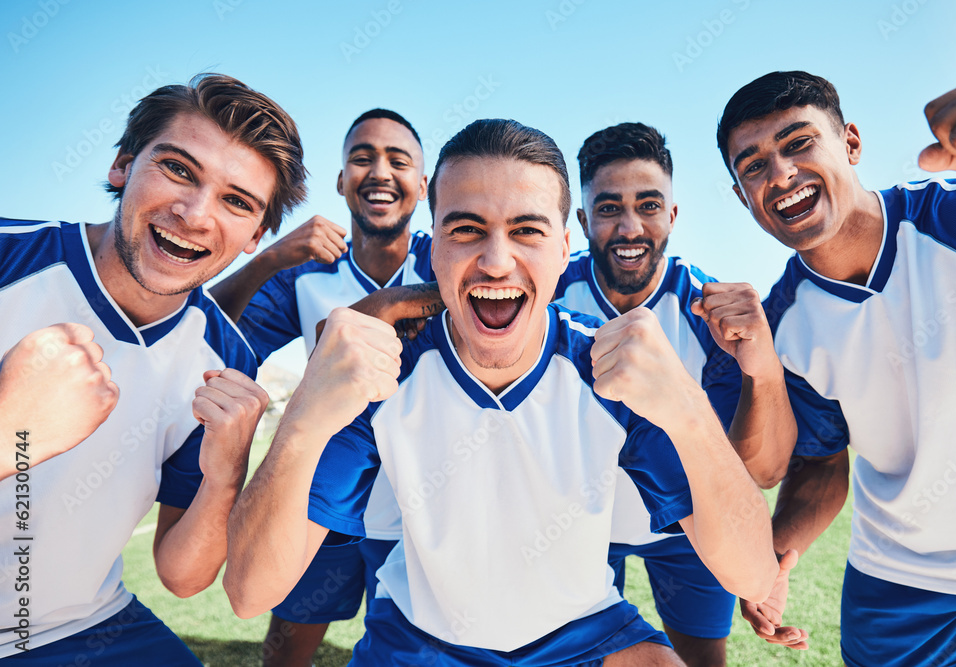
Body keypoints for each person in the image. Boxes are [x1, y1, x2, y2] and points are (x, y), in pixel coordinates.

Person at [225, 118, 779, 666]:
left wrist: (687, 407)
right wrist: (304, 411)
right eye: (466, 229)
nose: (495, 261)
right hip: (422, 639)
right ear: (433, 246)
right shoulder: (386, 373)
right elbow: (250, 593)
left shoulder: (606, 369)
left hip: (582, 631)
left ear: (565, 249)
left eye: (527, 231)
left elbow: (752, 572)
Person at [0, 73, 306, 663]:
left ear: (256, 235)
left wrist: (223, 481)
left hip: (81, 627)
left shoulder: (225, 360)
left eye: (236, 201)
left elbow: (183, 577)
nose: (194, 214)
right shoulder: (12, 260)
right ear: (123, 166)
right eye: (179, 170)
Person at [717, 69, 956, 666]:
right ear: (742, 196)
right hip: (895, 574)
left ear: (850, 143)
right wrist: (775, 556)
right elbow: (820, 463)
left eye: (798, 143)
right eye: (754, 166)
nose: (781, 174)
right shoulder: (781, 324)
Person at [554, 122, 798, 666]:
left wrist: (763, 368)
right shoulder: (548, 296)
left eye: (649, 205)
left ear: (673, 214)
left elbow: (761, 468)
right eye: (610, 208)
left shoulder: (710, 312)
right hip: (578, 524)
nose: (630, 226)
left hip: (685, 526)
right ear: (582, 220)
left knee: (701, 657)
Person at [211, 108, 436, 667]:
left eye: (398, 160)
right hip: (323, 488)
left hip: (421, 494)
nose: (380, 171)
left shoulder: (446, 256)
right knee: (285, 647)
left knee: (414, 647)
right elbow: (208, 335)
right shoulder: (306, 271)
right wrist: (270, 256)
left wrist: (389, 304)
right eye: (362, 158)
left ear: (424, 185)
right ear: (340, 181)